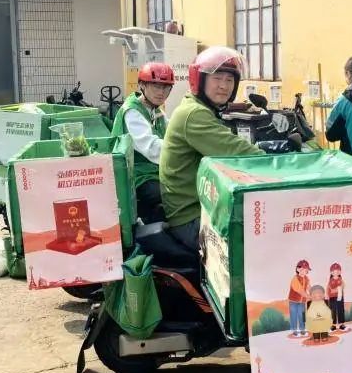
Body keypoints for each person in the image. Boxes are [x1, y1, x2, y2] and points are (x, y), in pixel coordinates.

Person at [159, 46, 264, 252]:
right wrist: (276, 161)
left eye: (229, 80)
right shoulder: (194, 114)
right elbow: (239, 153)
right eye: (217, 78)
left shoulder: (200, 109)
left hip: (197, 208)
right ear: (200, 80)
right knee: (259, 240)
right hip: (191, 218)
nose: (224, 86)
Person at [111, 62, 175, 224]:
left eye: (166, 88)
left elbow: (174, 134)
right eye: (156, 86)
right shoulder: (132, 112)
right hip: (136, 176)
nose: (161, 92)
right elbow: (151, 147)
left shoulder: (156, 111)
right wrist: (181, 153)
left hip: (153, 172)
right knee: (174, 193)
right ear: (142, 86)